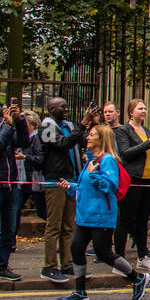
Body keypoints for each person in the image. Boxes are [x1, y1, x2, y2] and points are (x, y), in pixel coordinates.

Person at [54, 124, 149, 300]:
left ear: (101, 139)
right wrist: (71, 187)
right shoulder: (91, 161)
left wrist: (95, 175)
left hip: (101, 216)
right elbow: (86, 187)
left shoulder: (107, 160)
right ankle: (80, 291)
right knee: (76, 248)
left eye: (91, 135)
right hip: (85, 216)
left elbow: (111, 186)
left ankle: (137, 278)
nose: (87, 138)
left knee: (103, 252)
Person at [38, 97, 93, 283]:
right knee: (54, 226)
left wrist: (83, 127)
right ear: (52, 109)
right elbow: (63, 144)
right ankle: (49, 266)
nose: (67, 109)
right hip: (55, 180)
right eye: (63, 106)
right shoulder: (46, 127)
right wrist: (82, 125)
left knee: (68, 226)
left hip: (70, 179)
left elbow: (76, 141)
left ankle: (67, 264)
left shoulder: (67, 126)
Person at [112, 98, 150, 272]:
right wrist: (149, 143)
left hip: (148, 178)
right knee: (125, 220)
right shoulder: (123, 131)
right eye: (140, 108)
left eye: (145, 108)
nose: (144, 111)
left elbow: (148, 153)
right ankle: (119, 260)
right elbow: (126, 153)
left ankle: (142, 256)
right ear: (131, 112)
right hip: (133, 179)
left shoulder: (145, 129)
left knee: (143, 220)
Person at [0, 103, 30, 281]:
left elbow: (23, 142)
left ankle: (3, 265)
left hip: (11, 184)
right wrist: (9, 126)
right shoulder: (5, 126)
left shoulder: (6, 125)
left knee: (9, 229)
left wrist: (19, 121)